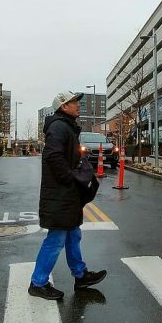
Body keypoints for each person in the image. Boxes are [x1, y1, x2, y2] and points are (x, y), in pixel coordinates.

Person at [29, 90, 107, 301]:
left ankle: (80, 275)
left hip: (66, 195)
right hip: (60, 194)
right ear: (64, 107)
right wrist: (69, 179)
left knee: (73, 234)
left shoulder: (66, 127)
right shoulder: (59, 127)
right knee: (56, 239)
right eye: (74, 102)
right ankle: (38, 282)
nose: (77, 105)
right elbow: (53, 156)